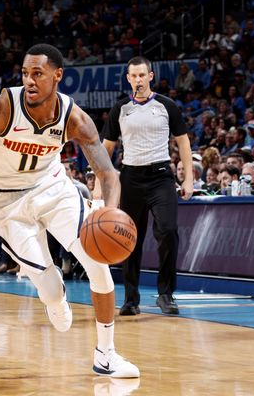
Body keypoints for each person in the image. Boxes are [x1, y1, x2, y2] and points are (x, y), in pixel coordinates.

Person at [0, 44, 139, 378]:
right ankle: (54, 295)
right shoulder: (3, 108)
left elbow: (108, 174)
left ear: (57, 76)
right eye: (24, 73)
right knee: (48, 288)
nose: (29, 81)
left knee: (97, 262)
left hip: (53, 188)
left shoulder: (73, 117)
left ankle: (106, 354)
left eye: (38, 74)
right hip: (6, 202)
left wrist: (106, 211)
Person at [101, 56, 194, 316]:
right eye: (134, 76)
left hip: (161, 175)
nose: (138, 80)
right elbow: (106, 149)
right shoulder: (120, 109)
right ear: (128, 78)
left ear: (150, 76)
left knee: (168, 231)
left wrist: (189, 178)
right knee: (130, 239)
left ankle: (166, 294)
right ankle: (131, 299)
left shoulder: (167, 105)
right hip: (130, 178)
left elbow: (183, 142)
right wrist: (99, 185)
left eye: (143, 75)